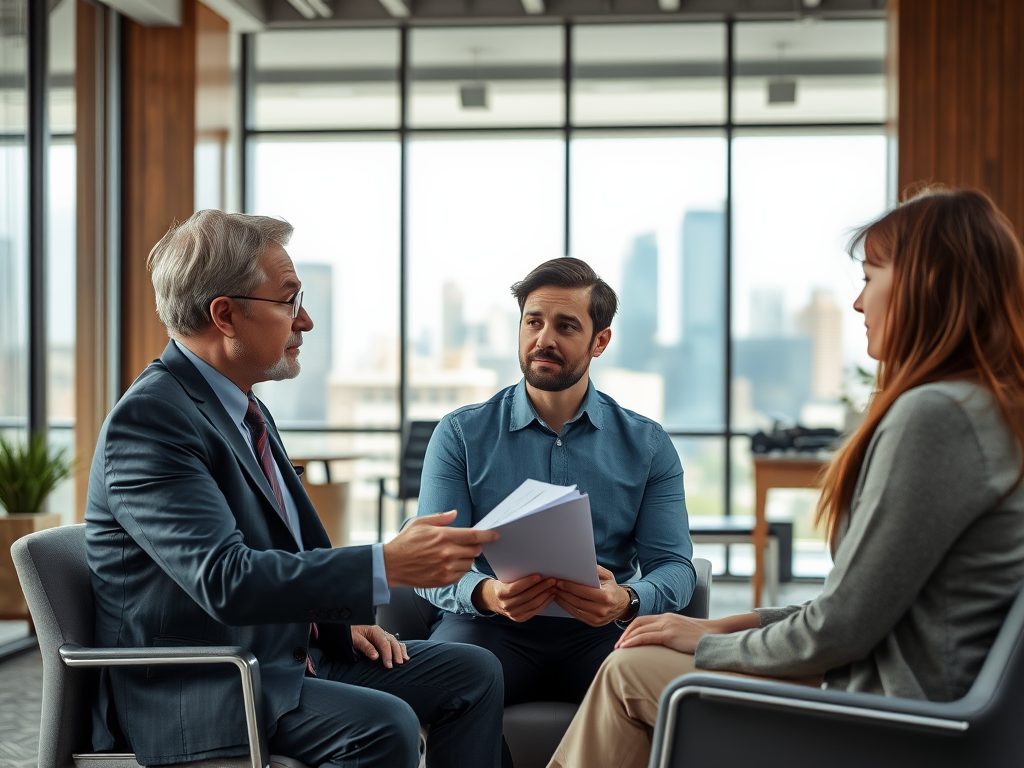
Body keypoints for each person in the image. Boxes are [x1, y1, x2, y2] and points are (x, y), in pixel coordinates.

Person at [546, 188, 1024, 768]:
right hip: (906, 704)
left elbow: (841, 628)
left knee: (627, 674)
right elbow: (855, 607)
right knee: (638, 665)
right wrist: (718, 623)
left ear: (926, 286)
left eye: (870, 276)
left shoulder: (936, 418)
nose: (857, 303)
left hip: (896, 723)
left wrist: (711, 640)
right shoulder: (984, 408)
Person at [85, 210, 505, 768]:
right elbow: (226, 579)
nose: (304, 321)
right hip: (206, 686)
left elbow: (285, 550)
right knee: (383, 726)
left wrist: (338, 618)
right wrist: (384, 564)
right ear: (225, 315)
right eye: (288, 300)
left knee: (473, 671)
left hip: (285, 659)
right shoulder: (151, 422)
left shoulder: (244, 409)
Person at [414, 257, 695, 765]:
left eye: (566, 326)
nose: (544, 338)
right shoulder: (459, 434)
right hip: (488, 625)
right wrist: (485, 593)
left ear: (599, 342)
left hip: (600, 630)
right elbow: (429, 563)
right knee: (452, 674)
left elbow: (676, 567)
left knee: (667, 695)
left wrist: (627, 599)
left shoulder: (648, 444)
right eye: (533, 321)